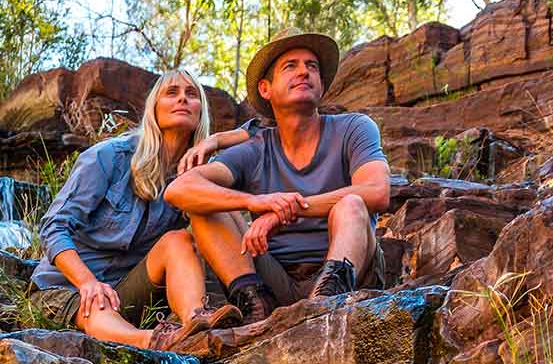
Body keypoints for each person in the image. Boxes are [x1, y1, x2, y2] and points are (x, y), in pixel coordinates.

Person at [165, 30, 389, 324]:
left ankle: (327, 301)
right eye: (290, 66)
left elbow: (377, 191)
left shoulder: (354, 128)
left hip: (350, 270)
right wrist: (257, 202)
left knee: (351, 204)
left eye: (312, 66)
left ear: (321, 84)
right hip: (276, 278)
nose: (304, 72)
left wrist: (283, 212)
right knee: (206, 204)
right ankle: (254, 304)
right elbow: (179, 189)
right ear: (266, 88)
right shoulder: (255, 149)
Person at [30, 70, 249, 350]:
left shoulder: (193, 176)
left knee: (178, 240)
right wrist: (87, 282)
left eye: (191, 94)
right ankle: (158, 343)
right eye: (171, 93)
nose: (183, 98)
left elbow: (263, 135)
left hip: (129, 290)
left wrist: (217, 141)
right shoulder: (107, 157)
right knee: (96, 302)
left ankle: (196, 321)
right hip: (68, 287)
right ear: (153, 109)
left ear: (201, 113)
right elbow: (54, 227)